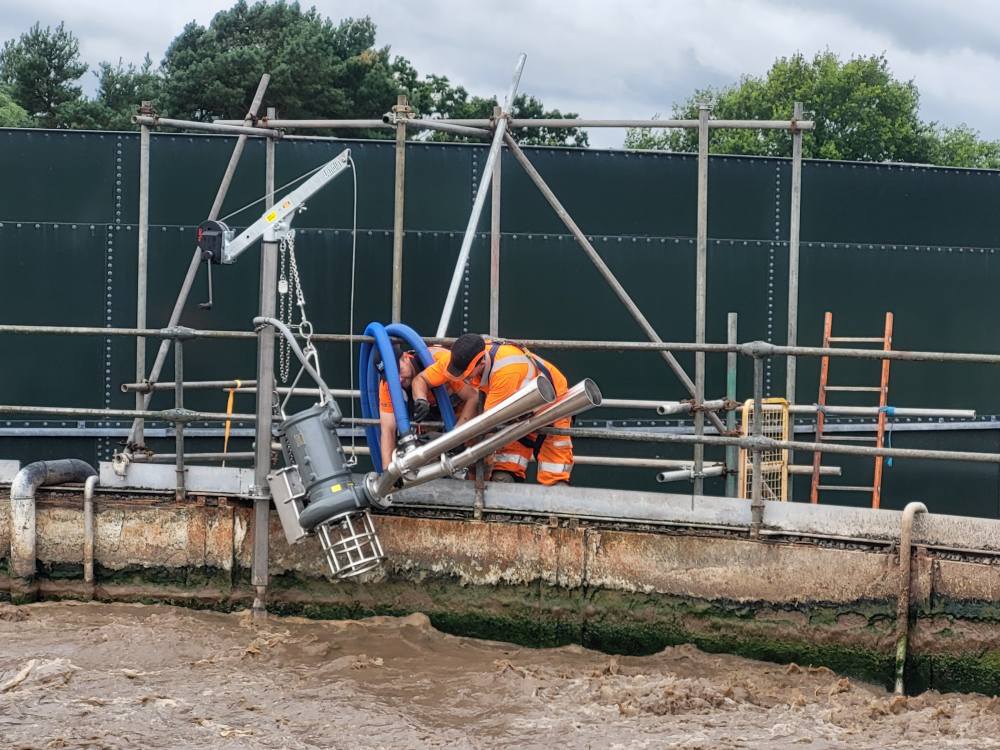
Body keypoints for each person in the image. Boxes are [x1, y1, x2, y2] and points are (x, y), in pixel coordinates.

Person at [411, 334, 573, 485]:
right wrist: (421, 398)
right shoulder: (458, 360)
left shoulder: (505, 371)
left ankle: (557, 505)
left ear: (481, 363)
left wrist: (445, 442)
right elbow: (422, 378)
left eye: (466, 375)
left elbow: (487, 424)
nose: (461, 379)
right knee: (505, 471)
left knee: (554, 468)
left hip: (551, 401)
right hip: (516, 411)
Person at [376, 343, 478, 469]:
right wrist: (388, 472)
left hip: (461, 408)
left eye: (399, 371)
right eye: (391, 377)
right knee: (425, 456)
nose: (399, 380)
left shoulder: (440, 360)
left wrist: (455, 436)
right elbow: (388, 430)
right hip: (428, 412)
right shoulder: (387, 384)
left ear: (406, 357)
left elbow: (473, 397)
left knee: (473, 455)